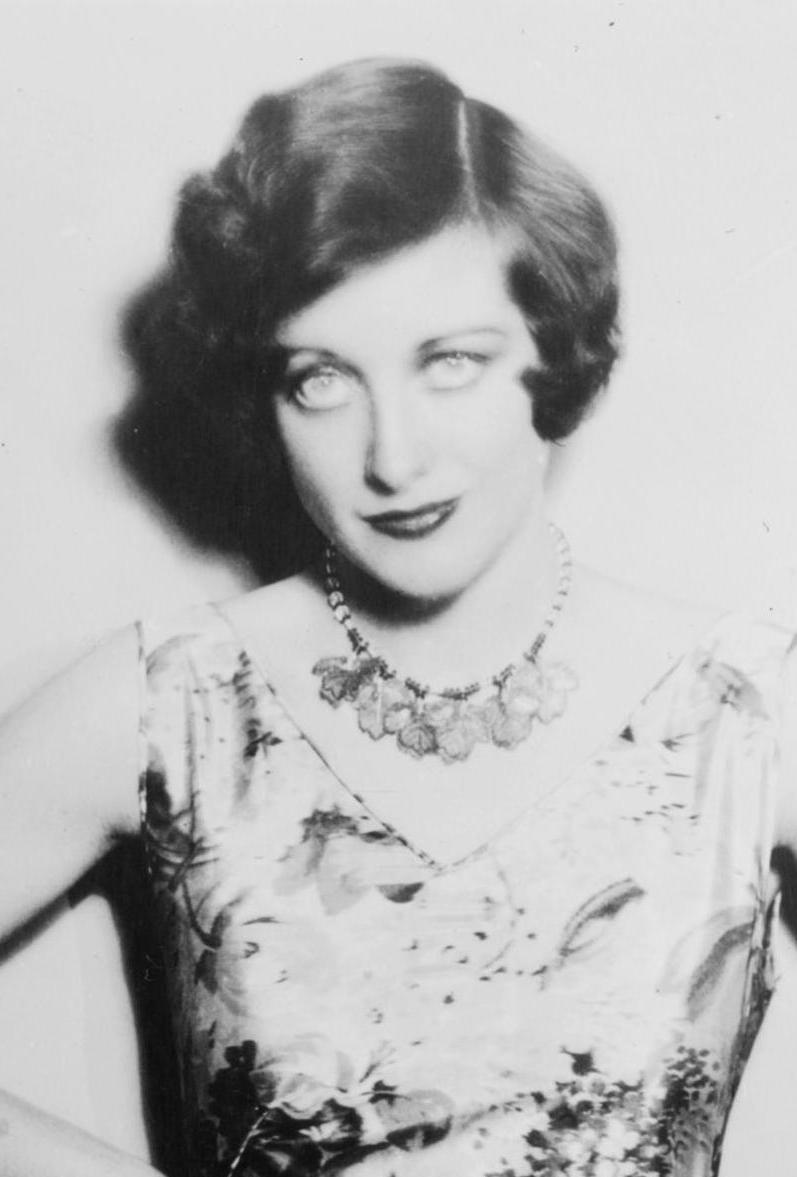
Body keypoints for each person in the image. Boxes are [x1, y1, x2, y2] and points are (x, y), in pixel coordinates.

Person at [1, 55, 795, 1177]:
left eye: (451, 363)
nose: (393, 454)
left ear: (550, 351)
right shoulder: (168, 703)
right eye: (321, 378)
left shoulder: (749, 709)